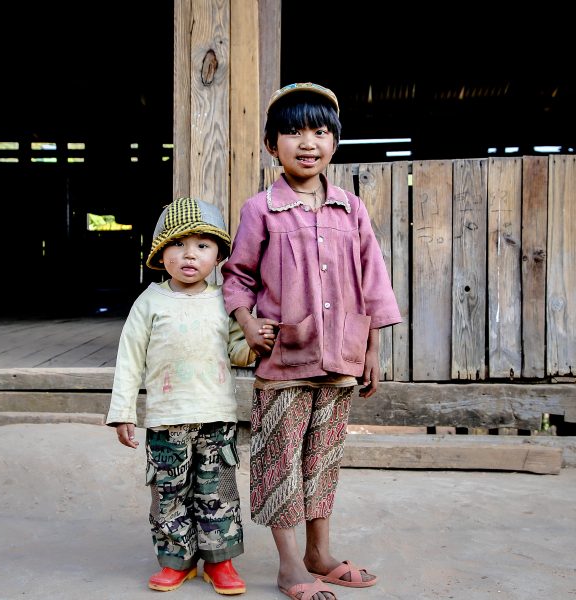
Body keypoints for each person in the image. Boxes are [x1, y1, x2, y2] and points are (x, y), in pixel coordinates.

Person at [221, 82, 403, 600]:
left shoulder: (351, 209)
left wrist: (372, 350)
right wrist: (246, 322)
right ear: (271, 144)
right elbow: (238, 276)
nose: (308, 143)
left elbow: (373, 280)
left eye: (320, 132)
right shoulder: (261, 209)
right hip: (284, 359)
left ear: (335, 142)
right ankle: (288, 566)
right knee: (279, 460)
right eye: (294, 132)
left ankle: (319, 554)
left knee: (323, 458)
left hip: (340, 356)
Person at [106, 196, 277, 595]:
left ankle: (220, 562)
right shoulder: (149, 302)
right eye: (178, 244)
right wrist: (123, 411)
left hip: (216, 416)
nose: (189, 254)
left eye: (202, 245)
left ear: (218, 256)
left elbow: (236, 351)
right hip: (167, 418)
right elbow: (129, 360)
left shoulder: (225, 302)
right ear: (159, 254)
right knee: (169, 492)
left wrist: (256, 342)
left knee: (217, 489)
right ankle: (176, 561)